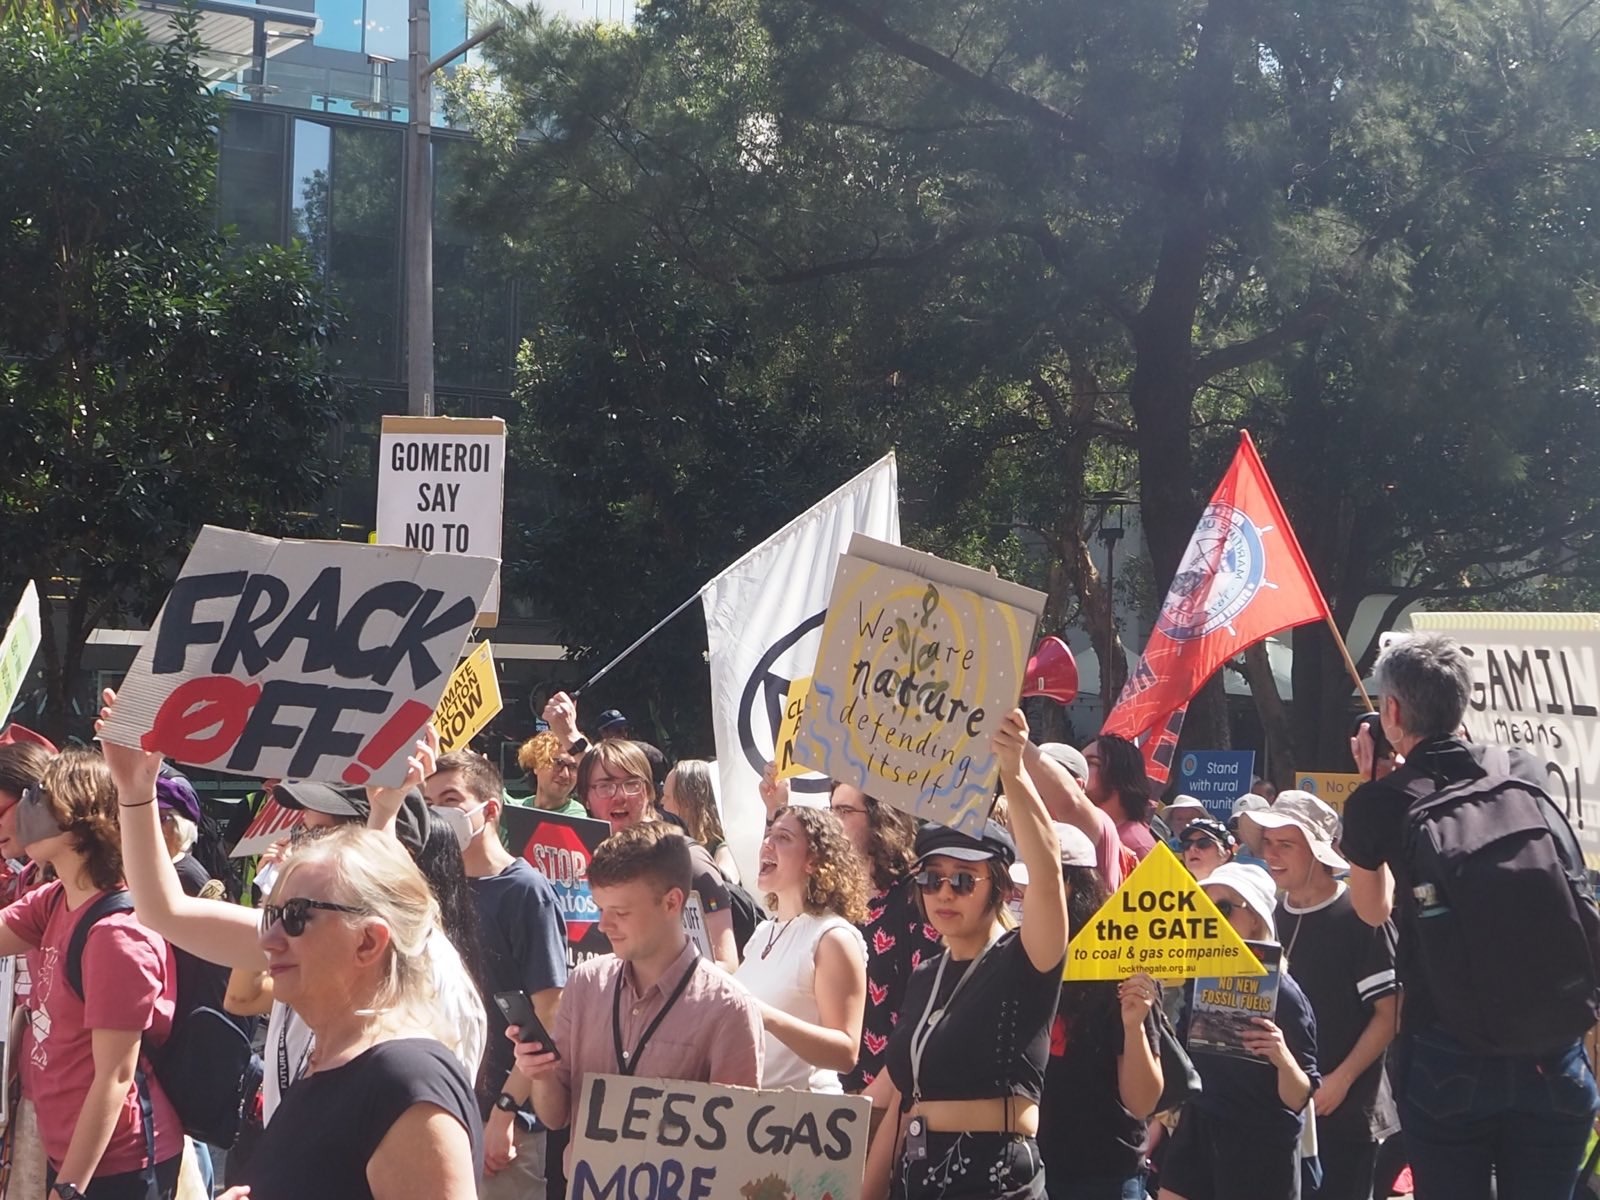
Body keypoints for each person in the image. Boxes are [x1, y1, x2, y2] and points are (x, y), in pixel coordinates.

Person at [96, 723, 484, 1200]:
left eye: (295, 917)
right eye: (274, 913)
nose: (271, 938)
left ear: (370, 942)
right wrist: (135, 791)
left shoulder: (408, 1075)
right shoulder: (344, 1039)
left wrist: (385, 812)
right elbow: (163, 911)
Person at [1342, 632, 1600, 1200]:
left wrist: (1371, 789)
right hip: (1551, 1051)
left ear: (1392, 710)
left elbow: (1371, 908)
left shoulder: (1381, 801)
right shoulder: (1524, 771)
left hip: (1447, 1049)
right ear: (1464, 700)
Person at [863, 708, 1068, 1200]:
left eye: (962, 880)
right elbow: (898, 1104)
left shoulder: (1024, 959)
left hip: (994, 1181)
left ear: (997, 887)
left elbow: (1048, 875)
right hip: (917, 1180)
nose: (944, 894)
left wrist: (1014, 771)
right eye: (931, 879)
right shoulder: (927, 974)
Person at [0, 748, 184, 1200]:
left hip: (117, 1166)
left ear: (77, 818)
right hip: (72, 1154)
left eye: (38, 796)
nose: (25, 809)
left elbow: (115, 1078)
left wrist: (70, 1187)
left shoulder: (115, 936)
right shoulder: (57, 897)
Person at [510, 821, 763, 1140]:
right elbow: (557, 1116)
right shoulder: (586, 984)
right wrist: (541, 1074)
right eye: (600, 908)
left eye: (621, 912)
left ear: (672, 902)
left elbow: (734, 1140)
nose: (603, 925)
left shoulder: (728, 1008)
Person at [425, 751, 568, 1199]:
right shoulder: (429, 887)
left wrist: (505, 1112)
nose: (437, 815)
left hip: (504, 1126)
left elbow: (548, 1015)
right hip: (439, 1110)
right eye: (427, 804)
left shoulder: (526, 892)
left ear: (490, 810)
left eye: (449, 799)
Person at [1250, 792, 1398, 1200]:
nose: (1272, 854)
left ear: (1316, 851)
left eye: (1286, 844)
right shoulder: (1269, 913)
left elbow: (1390, 1013)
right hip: (1280, 1109)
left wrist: (1341, 1079)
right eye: (1268, 842)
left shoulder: (1359, 913)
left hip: (1344, 1111)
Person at [1160, 862, 1319, 1200]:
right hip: (1200, 1127)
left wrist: (1282, 1057)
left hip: (1259, 1146)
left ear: (1255, 918)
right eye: (1205, 910)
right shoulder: (1198, 980)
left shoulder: (1287, 996)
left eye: (1222, 909)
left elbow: (1299, 1097)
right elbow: (1182, 1059)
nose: (1212, 920)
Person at [1038, 822, 1163, 1200]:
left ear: (1075, 887)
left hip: (1101, 1177)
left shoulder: (1120, 969)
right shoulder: (1014, 959)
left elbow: (1142, 1101)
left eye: (1042, 881)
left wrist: (1134, 1026)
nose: (1025, 895)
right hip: (1028, 1168)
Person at [735, 805, 868, 1092]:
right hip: (751, 1115)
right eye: (768, 835)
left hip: (804, 1119)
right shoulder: (762, 933)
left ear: (813, 860)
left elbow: (845, 1053)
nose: (767, 844)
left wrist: (762, 1015)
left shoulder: (832, 937)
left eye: (783, 838)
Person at [576, 739, 739, 971]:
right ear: (585, 798)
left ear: (649, 792)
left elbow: (726, 964)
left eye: (632, 784)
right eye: (605, 786)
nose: (620, 796)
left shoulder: (689, 862)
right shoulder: (581, 862)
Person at [829, 784, 943, 1094]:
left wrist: (881, 1093)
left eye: (844, 811)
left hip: (892, 1096)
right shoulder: (835, 897)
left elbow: (925, 1005)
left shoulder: (915, 897)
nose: (832, 820)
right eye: (831, 809)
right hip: (837, 1090)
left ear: (880, 818)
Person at [1028, 742, 1129, 890]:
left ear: (1078, 785)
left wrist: (1017, 743)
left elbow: (1070, 801)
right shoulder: (1026, 821)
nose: (1033, 782)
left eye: (1045, 776)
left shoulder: (1099, 821)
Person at [661, 759, 740, 885]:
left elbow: (725, 888)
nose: (661, 802)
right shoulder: (677, 846)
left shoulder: (724, 850)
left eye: (667, 796)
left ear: (687, 802)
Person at [1083, 735, 1158, 860]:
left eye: (1090, 763)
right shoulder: (1085, 835)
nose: (1079, 770)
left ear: (1118, 775)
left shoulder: (1138, 847)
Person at [512, 733, 587, 818]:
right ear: (536, 764)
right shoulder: (514, 809)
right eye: (558, 763)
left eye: (573, 767)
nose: (565, 775)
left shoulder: (578, 818)